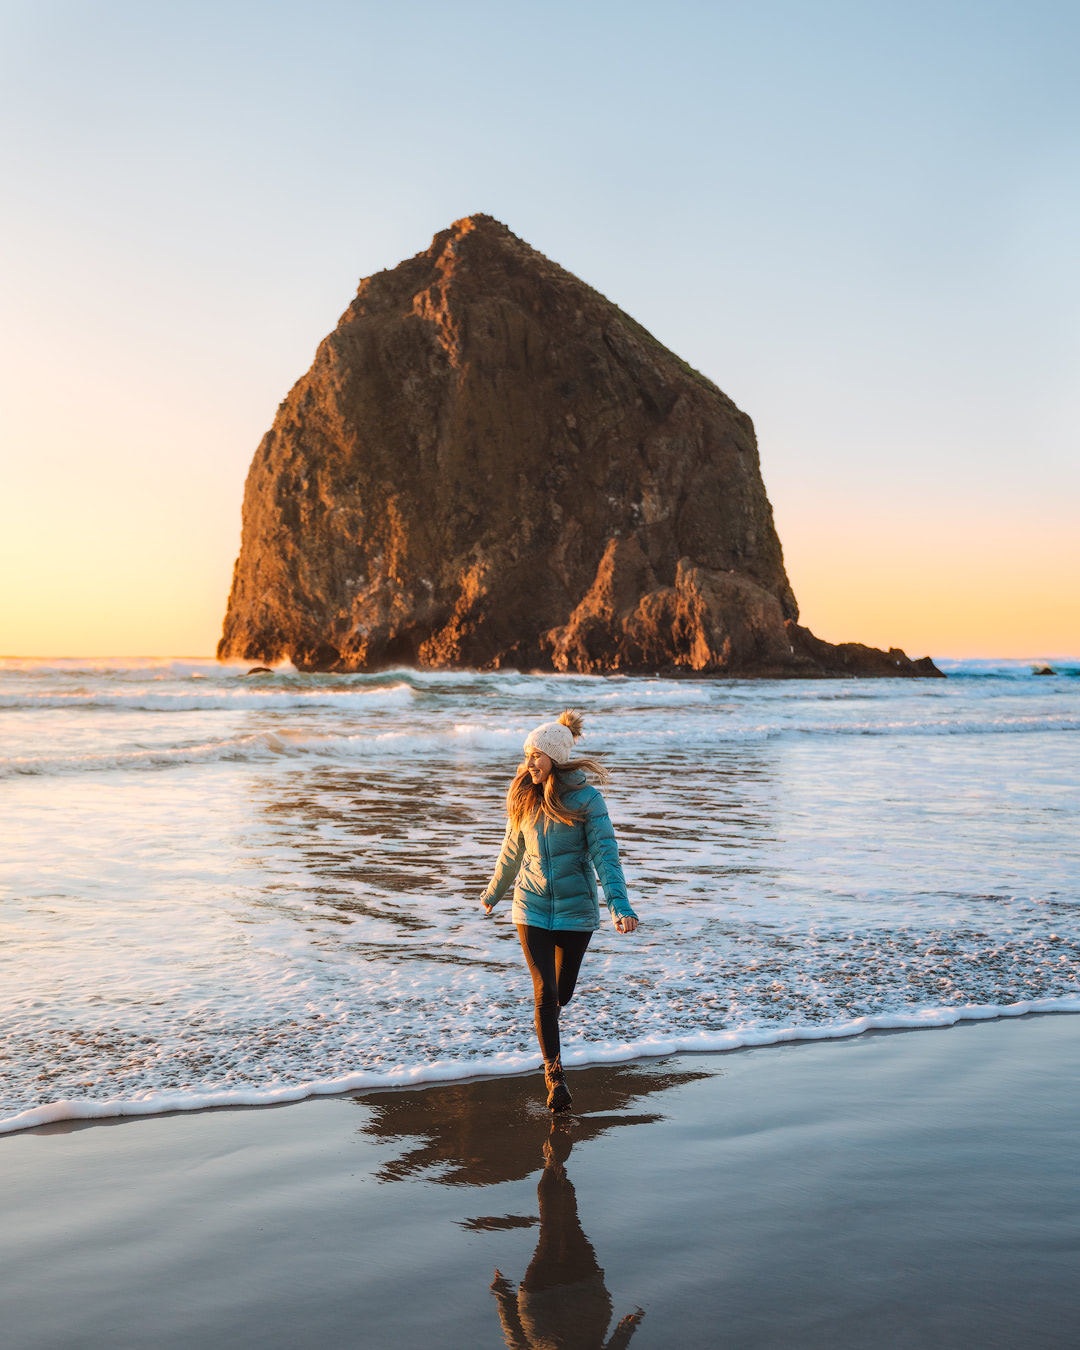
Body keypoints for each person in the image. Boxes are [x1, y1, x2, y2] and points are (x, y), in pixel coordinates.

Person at [480, 710, 638, 1112]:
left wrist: (620, 906)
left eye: (536, 755)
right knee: (544, 993)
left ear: (555, 757)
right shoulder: (524, 795)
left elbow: (607, 857)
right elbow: (511, 851)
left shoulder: (588, 800)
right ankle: (555, 1076)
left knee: (561, 993)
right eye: (527, 754)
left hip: (576, 911)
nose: (528, 762)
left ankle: (549, 1049)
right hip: (530, 906)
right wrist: (494, 892)